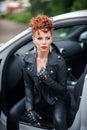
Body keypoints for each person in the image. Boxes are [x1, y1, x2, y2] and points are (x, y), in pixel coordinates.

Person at [7, 14, 69, 130]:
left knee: (59, 120)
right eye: (39, 38)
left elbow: (63, 90)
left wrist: (48, 80)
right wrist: (29, 107)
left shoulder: (59, 61)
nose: (44, 42)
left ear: (52, 38)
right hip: (38, 96)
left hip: (57, 98)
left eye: (47, 38)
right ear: (33, 39)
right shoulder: (27, 59)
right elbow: (28, 87)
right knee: (12, 114)